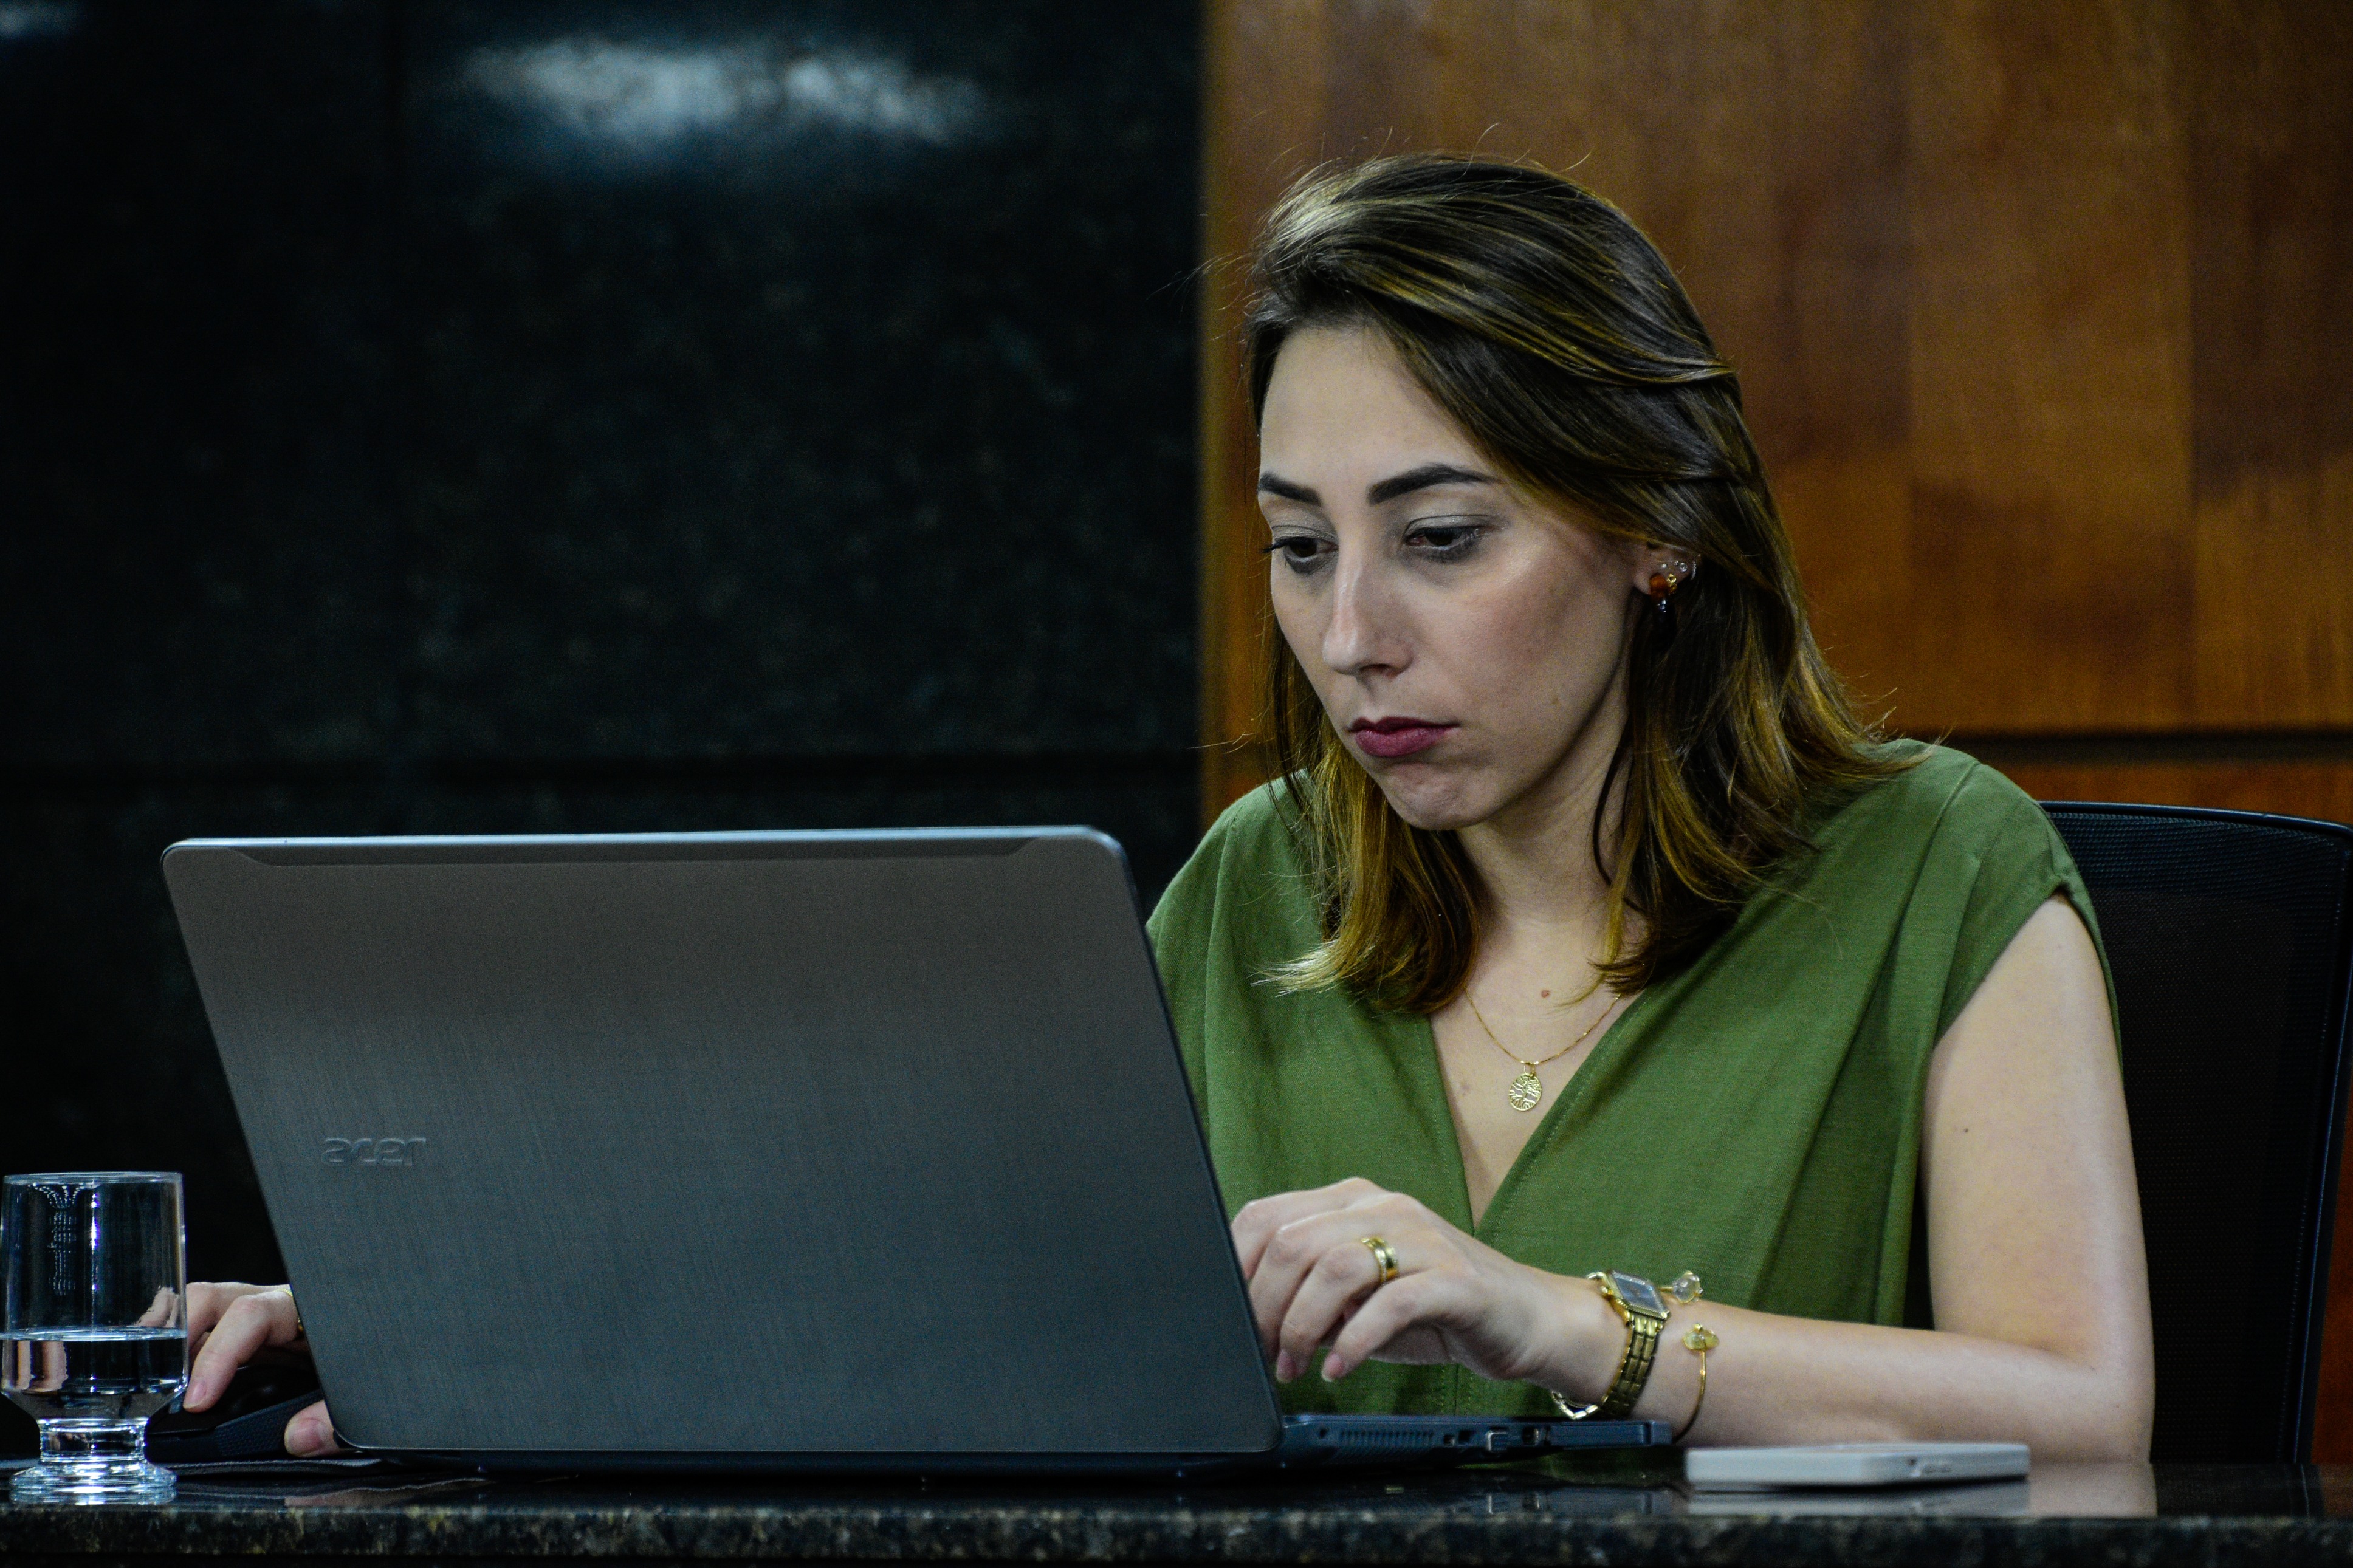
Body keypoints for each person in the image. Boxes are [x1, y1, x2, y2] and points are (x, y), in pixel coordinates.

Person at [182, 154, 2153, 1460]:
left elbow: (2086, 1411)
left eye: (1441, 538)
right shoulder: (1262, 882)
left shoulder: (1938, 863)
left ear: (1658, 530)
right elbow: (936, 1304)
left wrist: (1565, 1326)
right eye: (1301, 548)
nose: (1352, 636)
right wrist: (448, 1322)